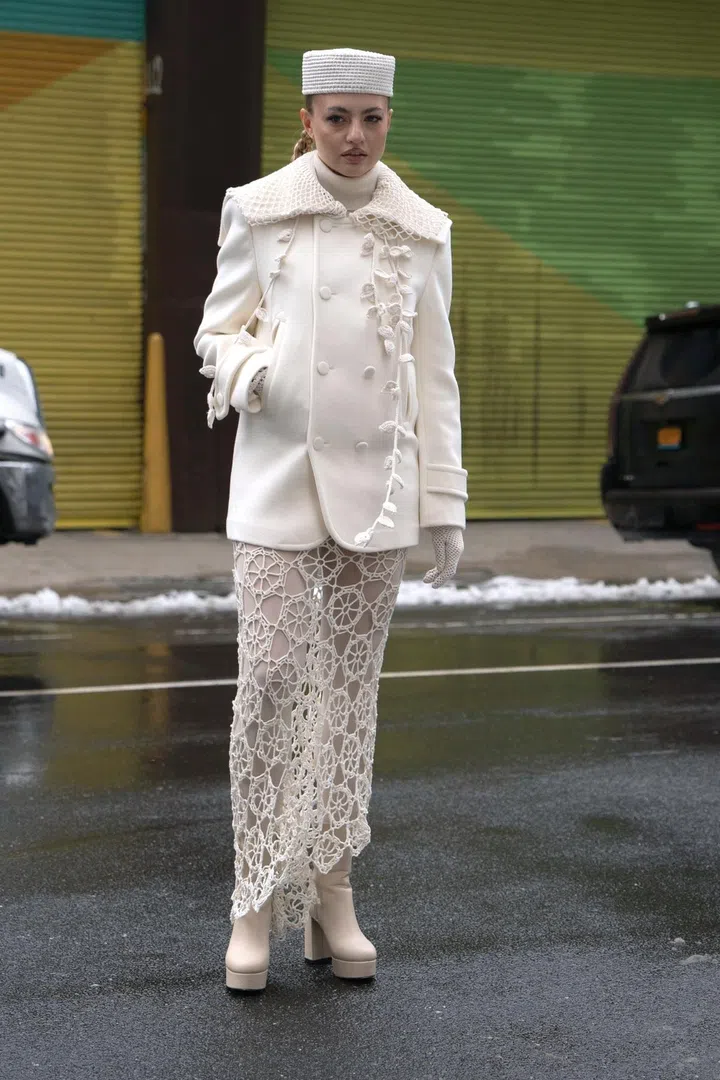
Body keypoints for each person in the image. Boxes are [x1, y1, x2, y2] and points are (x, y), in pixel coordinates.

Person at [194, 47, 467, 992]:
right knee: (270, 683)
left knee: (350, 700)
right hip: (276, 486)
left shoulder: (423, 228)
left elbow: (437, 378)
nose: (355, 137)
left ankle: (333, 899)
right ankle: (252, 905)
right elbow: (216, 328)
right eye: (338, 117)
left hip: (380, 494)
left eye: (372, 119)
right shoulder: (259, 207)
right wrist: (250, 372)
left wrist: (446, 502)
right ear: (307, 117)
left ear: (389, 122)